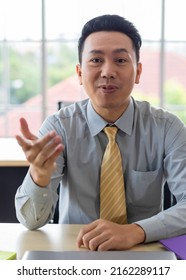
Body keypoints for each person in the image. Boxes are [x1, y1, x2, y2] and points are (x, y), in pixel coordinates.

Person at [15, 14, 186, 251]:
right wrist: (39, 177)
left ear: (137, 72)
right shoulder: (59, 127)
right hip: (75, 251)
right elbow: (30, 222)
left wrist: (136, 231)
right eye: (96, 60)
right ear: (79, 73)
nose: (108, 71)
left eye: (120, 60)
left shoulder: (167, 127)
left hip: (142, 252)